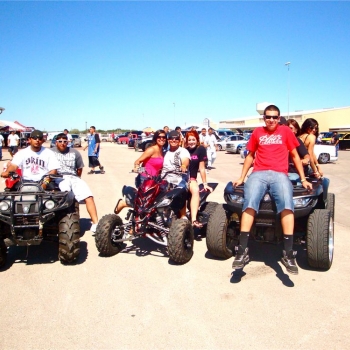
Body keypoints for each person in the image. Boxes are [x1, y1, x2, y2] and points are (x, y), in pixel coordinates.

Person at [232, 105, 312, 275]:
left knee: (286, 203)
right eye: (268, 117)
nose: (271, 120)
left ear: (279, 118)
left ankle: (288, 254)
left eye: (275, 117)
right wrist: (241, 177)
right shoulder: (257, 132)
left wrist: (303, 179)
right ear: (264, 118)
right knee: (250, 201)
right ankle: (242, 251)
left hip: (279, 174)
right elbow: (250, 156)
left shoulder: (286, 132)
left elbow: (295, 155)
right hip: (258, 173)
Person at [52, 133, 99, 233]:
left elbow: (79, 169)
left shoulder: (74, 152)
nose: (62, 143)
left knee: (88, 196)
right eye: (60, 141)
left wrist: (77, 179)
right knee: (66, 194)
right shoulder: (50, 152)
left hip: (73, 177)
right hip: (58, 177)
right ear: (56, 142)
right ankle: (64, 221)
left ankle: (95, 224)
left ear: (68, 142)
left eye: (65, 141)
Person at [114, 129, 167, 215]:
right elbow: (137, 162)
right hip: (145, 179)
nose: (162, 139)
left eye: (164, 137)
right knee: (143, 205)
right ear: (155, 138)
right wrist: (138, 169)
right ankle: (124, 204)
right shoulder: (151, 149)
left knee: (153, 204)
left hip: (155, 180)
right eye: (159, 137)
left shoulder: (162, 151)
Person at [184, 130, 212, 227]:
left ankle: (194, 219)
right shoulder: (183, 150)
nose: (191, 142)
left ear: (197, 140)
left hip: (191, 179)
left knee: (196, 191)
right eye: (189, 140)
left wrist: (205, 183)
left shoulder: (201, 149)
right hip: (180, 178)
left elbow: (202, 168)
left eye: (193, 139)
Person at [161, 130, 190, 219]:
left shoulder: (183, 151)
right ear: (168, 140)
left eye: (176, 139)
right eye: (171, 138)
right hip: (165, 179)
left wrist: (184, 165)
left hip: (179, 179)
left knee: (180, 191)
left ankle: (183, 216)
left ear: (180, 140)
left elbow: (185, 160)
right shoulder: (165, 151)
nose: (174, 140)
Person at [286, 119, 310, 184]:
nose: (288, 130)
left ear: (296, 131)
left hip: (294, 172)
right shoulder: (280, 141)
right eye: (287, 128)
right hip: (282, 172)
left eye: (291, 128)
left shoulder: (297, 141)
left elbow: (306, 155)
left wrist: (306, 159)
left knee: (293, 178)